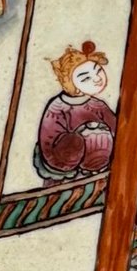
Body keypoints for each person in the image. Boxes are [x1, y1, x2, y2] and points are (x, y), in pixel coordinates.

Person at [33, 42, 117, 180]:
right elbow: (49, 143)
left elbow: (116, 128)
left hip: (98, 162)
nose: (97, 79)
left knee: (98, 134)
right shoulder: (57, 108)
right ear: (72, 84)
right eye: (86, 78)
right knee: (87, 136)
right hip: (64, 162)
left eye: (98, 71)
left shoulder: (97, 105)